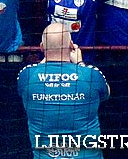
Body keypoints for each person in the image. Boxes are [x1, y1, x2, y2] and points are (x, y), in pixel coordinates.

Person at [18, 23, 110, 159]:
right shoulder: (90, 75)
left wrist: (47, 55)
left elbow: (27, 83)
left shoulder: (27, 76)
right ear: (71, 46)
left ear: (41, 47)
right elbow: (106, 92)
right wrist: (80, 63)